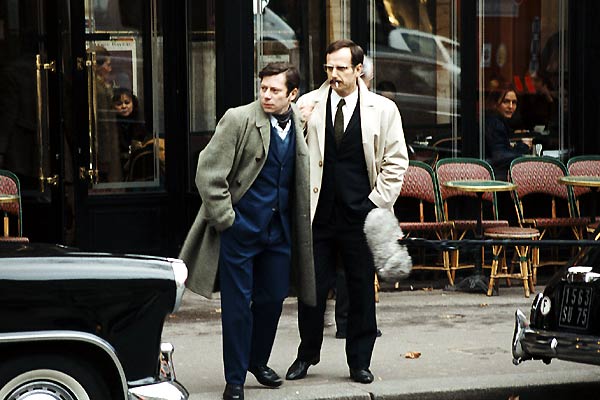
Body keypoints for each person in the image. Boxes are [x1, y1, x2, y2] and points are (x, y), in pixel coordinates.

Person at [178, 62, 316, 400]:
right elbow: (208, 173)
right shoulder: (238, 119)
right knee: (237, 306)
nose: (266, 95)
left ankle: (257, 360)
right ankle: (235, 379)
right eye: (263, 88)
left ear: (292, 95)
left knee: (272, 299)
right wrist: (228, 220)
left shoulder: (296, 122)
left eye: (275, 90)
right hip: (240, 230)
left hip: (279, 231)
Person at [286, 40, 408, 384]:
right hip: (319, 215)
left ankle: (359, 362)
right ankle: (306, 355)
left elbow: (396, 162)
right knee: (311, 291)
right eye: (329, 67)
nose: (334, 74)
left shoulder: (383, 109)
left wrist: (375, 202)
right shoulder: (307, 104)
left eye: (341, 68)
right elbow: (289, 152)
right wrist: (299, 123)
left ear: (358, 69)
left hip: (362, 217)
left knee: (360, 291)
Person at [332, 55, 381, 340]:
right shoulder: (324, 105)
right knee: (345, 268)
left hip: (365, 204)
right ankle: (344, 322)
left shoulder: (377, 108)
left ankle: (362, 325)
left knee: (362, 268)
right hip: (336, 204)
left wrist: (375, 202)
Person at [485, 85, 531, 181]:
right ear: (495, 103)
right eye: (506, 101)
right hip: (495, 177)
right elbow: (501, 156)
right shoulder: (495, 123)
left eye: (514, 102)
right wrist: (524, 146)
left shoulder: (498, 121)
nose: (511, 106)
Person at [111, 88, 148, 176]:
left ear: (133, 103)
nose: (124, 106)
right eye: (119, 104)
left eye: (127, 102)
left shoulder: (140, 120)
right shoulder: (110, 123)